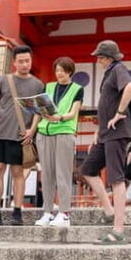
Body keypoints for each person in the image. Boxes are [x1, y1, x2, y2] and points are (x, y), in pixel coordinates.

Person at [80, 40, 131, 245]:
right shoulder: (109, 73)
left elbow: (130, 86)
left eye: (100, 57)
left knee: (116, 179)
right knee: (87, 169)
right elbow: (107, 105)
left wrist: (120, 113)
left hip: (117, 133)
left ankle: (118, 230)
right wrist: (98, 129)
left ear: (109, 58)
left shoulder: (119, 68)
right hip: (105, 133)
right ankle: (109, 210)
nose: (98, 60)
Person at [0, 45, 45, 226]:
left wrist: (32, 130)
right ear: (14, 63)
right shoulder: (3, 80)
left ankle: (17, 212)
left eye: (28, 61)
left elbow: (38, 110)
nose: (25, 64)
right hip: (0, 132)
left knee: (19, 172)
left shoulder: (37, 84)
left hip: (22, 135)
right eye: (21, 61)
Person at [34, 56, 84, 227]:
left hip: (64, 131)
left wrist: (59, 118)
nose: (59, 74)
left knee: (62, 173)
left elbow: (73, 112)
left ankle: (64, 213)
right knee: (46, 174)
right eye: (56, 70)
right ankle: (47, 212)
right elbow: (40, 108)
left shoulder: (77, 89)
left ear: (70, 72)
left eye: (62, 71)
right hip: (44, 131)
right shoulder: (48, 86)